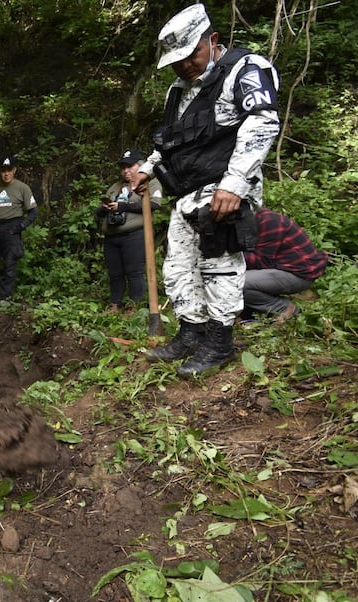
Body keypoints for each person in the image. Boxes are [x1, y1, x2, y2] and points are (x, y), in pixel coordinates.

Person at [132, 3, 280, 378]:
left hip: (222, 189)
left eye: (190, 55)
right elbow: (170, 141)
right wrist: (148, 168)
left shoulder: (245, 69)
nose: (184, 65)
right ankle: (191, 333)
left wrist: (234, 184)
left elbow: (261, 123)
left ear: (212, 40)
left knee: (218, 266)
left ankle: (220, 341)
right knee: (179, 268)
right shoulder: (177, 91)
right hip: (186, 194)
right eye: (176, 60)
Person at [94, 149, 162, 313]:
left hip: (135, 234)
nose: (125, 171)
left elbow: (154, 205)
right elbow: (97, 212)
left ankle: (134, 306)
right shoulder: (115, 187)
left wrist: (122, 206)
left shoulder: (150, 182)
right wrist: (105, 208)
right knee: (115, 272)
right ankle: (115, 304)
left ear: (140, 166)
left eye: (129, 166)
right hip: (112, 235)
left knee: (134, 272)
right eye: (123, 167)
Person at [242, 209, 327, 324]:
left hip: (298, 274)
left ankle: (286, 308)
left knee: (237, 282)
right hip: (279, 269)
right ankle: (255, 308)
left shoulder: (269, 222)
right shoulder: (249, 222)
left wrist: (227, 258)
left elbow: (261, 261)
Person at [0, 156, 38, 303]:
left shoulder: (22, 188)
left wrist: (21, 226)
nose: (6, 174)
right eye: (3, 171)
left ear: (14, 170)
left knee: (10, 262)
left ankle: (5, 296)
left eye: (9, 170)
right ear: (0, 172)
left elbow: (34, 211)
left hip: (12, 226)